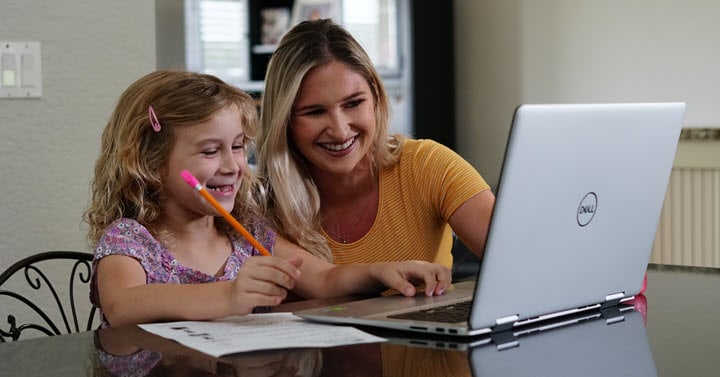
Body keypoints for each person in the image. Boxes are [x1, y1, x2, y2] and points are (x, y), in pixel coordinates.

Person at [83, 69, 451, 328]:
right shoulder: (131, 239)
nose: (232, 165)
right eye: (210, 151)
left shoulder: (246, 234)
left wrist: (382, 271)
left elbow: (323, 280)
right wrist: (228, 297)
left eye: (239, 147)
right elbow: (123, 305)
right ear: (151, 162)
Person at [256, 19, 496, 270]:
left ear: (375, 98)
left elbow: (517, 262)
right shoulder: (260, 207)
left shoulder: (427, 165)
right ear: (284, 121)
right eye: (315, 112)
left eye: (353, 103)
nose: (339, 131)